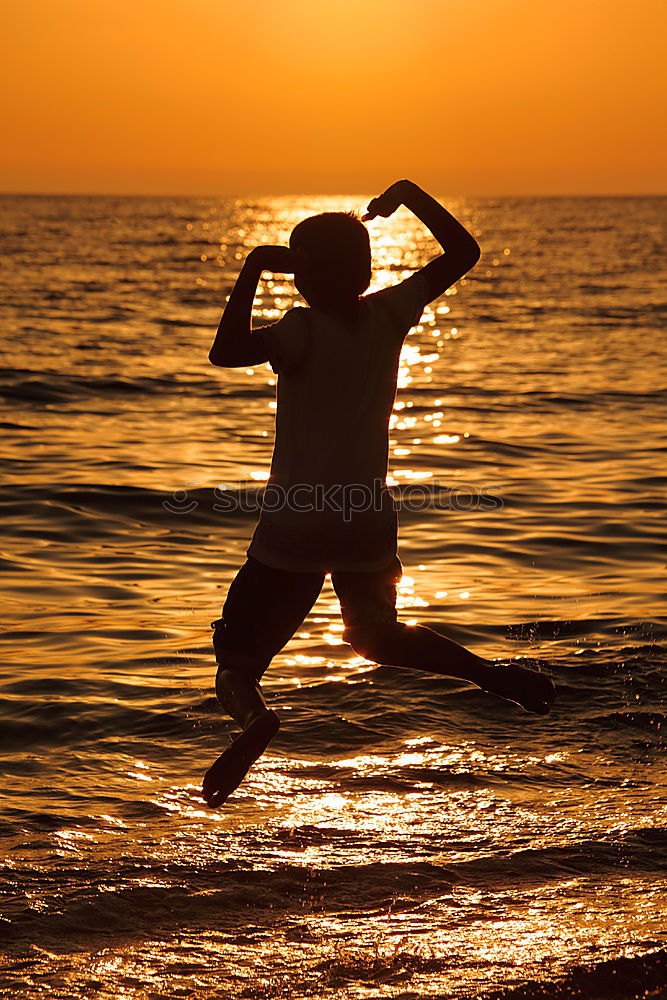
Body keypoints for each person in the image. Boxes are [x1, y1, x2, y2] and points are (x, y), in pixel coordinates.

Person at [203, 179, 556, 808]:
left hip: (296, 522)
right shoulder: (391, 313)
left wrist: (255, 266)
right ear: (366, 271)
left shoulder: (299, 330)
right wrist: (407, 195)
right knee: (374, 637)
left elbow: (225, 352)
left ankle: (255, 720)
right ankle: (495, 678)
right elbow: (463, 252)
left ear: (300, 279)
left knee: (237, 653)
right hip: (366, 517)